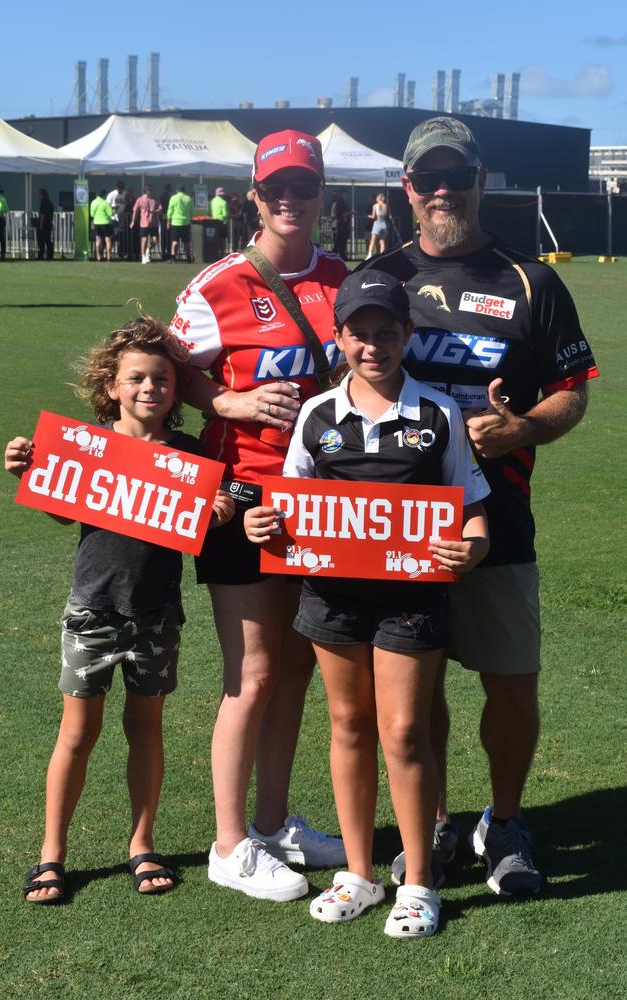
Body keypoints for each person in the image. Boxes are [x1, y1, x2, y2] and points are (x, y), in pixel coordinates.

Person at [360, 116, 599, 896]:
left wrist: (522, 427)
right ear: (406, 189)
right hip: (403, 524)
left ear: (479, 181)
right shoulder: (382, 277)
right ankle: (430, 821)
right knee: (415, 687)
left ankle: (504, 818)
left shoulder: (531, 280)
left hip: (501, 514)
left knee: (510, 680)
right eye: (426, 179)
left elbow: (574, 393)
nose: (441, 191)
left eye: (454, 177)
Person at [245, 269, 490, 937]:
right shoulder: (317, 416)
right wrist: (262, 524)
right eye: (360, 334)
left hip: (411, 600)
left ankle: (418, 881)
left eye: (387, 332)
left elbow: (472, 514)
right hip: (332, 598)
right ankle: (359, 871)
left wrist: (472, 548)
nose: (373, 346)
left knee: (404, 732)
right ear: (341, 337)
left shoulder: (439, 413)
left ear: (407, 335)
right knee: (349, 725)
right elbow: (286, 504)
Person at [168, 129, 350, 901]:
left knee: (300, 669)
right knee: (253, 672)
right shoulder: (215, 287)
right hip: (241, 499)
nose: (290, 200)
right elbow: (160, 372)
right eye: (276, 187)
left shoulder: (345, 278)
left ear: (320, 196)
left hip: (320, 504)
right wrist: (230, 399)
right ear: (254, 194)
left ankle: (274, 825)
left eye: (302, 187)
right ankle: (228, 843)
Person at [4, 316, 234, 904]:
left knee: (145, 731)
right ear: (111, 386)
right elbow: (63, 511)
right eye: (135, 379)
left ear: (176, 389)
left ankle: (141, 844)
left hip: (157, 614)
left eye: (161, 379)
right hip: (93, 610)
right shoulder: (86, 447)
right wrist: (30, 469)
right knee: (77, 733)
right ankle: (51, 853)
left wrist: (220, 508)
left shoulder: (187, 456)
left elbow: (203, 521)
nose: (148, 389)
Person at [131, 184, 162, 264]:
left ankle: (148, 250)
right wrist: (133, 222)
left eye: (151, 190)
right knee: (144, 240)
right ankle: (143, 256)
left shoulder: (155, 199)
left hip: (154, 223)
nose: (150, 192)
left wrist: (155, 211)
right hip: (144, 223)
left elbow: (160, 209)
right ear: (145, 191)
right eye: (149, 190)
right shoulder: (140, 199)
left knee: (156, 240)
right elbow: (135, 211)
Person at [167, 185, 193, 263]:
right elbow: (192, 211)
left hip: (175, 222)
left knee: (174, 242)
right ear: (184, 190)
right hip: (186, 222)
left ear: (177, 190)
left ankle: (173, 258)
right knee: (186, 242)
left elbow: (170, 211)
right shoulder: (189, 198)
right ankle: (188, 258)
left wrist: (168, 222)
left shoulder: (173, 198)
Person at [90, 189, 114, 261]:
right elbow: (110, 214)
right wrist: (114, 210)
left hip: (97, 223)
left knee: (98, 240)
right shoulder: (106, 203)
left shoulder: (93, 202)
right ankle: (108, 257)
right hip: (106, 223)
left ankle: (98, 256)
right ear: (104, 195)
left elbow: (92, 214)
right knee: (108, 240)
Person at [366, 192, 390, 259]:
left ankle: (369, 255)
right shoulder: (386, 205)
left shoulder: (375, 206)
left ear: (378, 198)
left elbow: (373, 217)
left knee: (373, 240)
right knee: (382, 241)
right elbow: (389, 216)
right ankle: (382, 256)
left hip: (377, 223)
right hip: (384, 223)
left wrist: (368, 216)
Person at [106, 180, 126, 259]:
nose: (121, 190)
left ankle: (119, 253)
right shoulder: (112, 194)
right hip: (113, 218)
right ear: (117, 187)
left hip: (122, 219)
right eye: (119, 188)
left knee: (120, 237)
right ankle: (108, 253)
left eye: (122, 188)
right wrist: (114, 207)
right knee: (112, 237)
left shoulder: (125, 194)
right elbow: (106, 206)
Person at [330, 188, 350, 260]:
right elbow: (342, 214)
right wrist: (351, 213)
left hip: (340, 223)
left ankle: (342, 255)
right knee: (340, 240)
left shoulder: (339, 202)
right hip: (340, 223)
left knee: (341, 240)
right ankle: (335, 254)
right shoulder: (340, 202)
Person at [36, 189, 55, 260]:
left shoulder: (43, 204)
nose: (38, 196)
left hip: (44, 224)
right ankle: (50, 255)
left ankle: (41, 255)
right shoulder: (50, 203)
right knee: (48, 240)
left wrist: (40, 224)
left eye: (39, 195)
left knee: (41, 241)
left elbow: (42, 215)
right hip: (49, 223)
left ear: (43, 195)